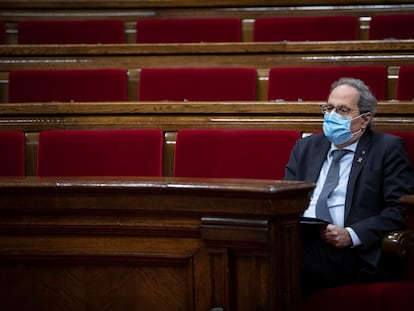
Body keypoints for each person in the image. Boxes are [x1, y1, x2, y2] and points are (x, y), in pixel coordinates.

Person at [284, 77, 414, 295]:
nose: (333, 116)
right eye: (329, 108)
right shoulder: (306, 147)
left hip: (353, 253)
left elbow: (401, 210)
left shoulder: (387, 149)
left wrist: (351, 234)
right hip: (303, 239)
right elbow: (285, 200)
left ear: (365, 119)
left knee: (283, 261)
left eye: (343, 110)